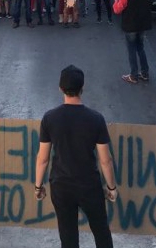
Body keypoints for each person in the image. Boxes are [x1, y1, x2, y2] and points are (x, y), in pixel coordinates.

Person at [34, 65, 117, 248]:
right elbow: (106, 160)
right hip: (89, 186)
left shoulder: (49, 118)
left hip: (61, 186)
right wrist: (111, 187)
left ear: (60, 89)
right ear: (82, 88)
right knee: (101, 232)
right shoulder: (96, 119)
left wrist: (38, 186)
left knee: (68, 236)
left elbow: (43, 158)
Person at [112, 0, 152, 84]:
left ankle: (133, 75)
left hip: (130, 25)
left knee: (131, 50)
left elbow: (117, 9)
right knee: (141, 48)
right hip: (143, 24)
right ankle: (145, 73)